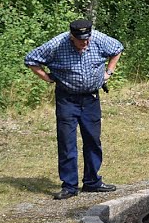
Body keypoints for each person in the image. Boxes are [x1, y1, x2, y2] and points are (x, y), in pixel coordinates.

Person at [25, 19, 125, 200]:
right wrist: (47, 78)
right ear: (72, 36)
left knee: (93, 140)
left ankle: (92, 182)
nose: (84, 43)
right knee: (67, 142)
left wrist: (108, 72)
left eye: (87, 39)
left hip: (91, 98)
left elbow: (117, 48)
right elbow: (31, 59)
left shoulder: (99, 39)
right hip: (67, 99)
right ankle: (69, 186)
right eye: (80, 40)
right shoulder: (57, 44)